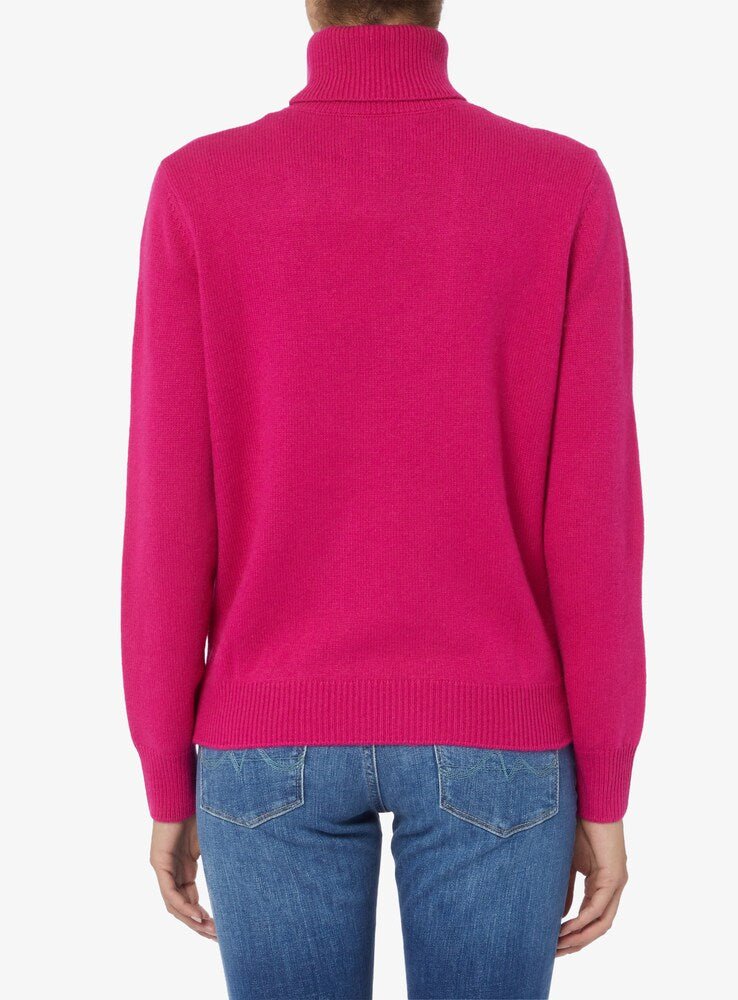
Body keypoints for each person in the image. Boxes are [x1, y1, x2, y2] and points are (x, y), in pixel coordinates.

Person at [120, 1, 646, 996]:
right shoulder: (560, 185)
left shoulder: (199, 187)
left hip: (264, 731)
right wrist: (606, 780)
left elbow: (167, 511)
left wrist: (163, 768)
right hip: (500, 733)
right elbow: (593, 517)